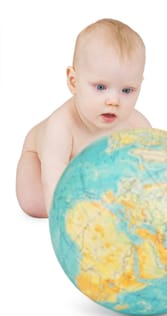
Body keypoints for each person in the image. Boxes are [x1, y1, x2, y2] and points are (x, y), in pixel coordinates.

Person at [16, 18, 152, 218]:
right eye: (100, 87)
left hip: (88, 171)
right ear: (73, 81)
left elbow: (151, 167)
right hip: (41, 161)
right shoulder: (61, 126)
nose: (114, 100)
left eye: (127, 90)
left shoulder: (137, 124)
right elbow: (53, 179)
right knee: (35, 203)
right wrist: (64, 222)